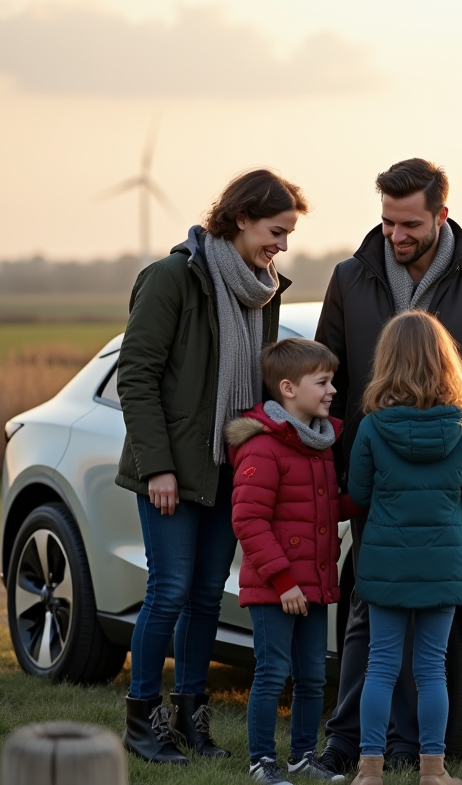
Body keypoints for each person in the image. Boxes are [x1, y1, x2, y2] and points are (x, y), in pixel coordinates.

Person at [314, 158, 462, 774]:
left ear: (441, 214)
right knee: (366, 621)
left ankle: (407, 751)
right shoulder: (349, 278)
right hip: (371, 476)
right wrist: (327, 464)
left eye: (409, 222)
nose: (395, 234)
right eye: (386, 221)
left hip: (442, 476)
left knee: (415, 638)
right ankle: (349, 742)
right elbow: (326, 379)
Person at [115, 169, 305, 764]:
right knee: (168, 591)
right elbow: (137, 377)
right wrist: (157, 467)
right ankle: (143, 723)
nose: (282, 244)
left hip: (233, 468)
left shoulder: (263, 290)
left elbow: (259, 387)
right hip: (172, 468)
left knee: (205, 598)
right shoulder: (172, 278)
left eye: (289, 234)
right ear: (242, 217)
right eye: (276, 230)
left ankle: (192, 719)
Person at [347, 311, 462, 785]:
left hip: (386, 564)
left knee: (381, 665)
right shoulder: (461, 426)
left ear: (386, 362)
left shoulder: (371, 428)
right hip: (443, 565)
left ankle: (370, 770)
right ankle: (433, 771)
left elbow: (359, 492)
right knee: (432, 668)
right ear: (445, 362)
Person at [226, 338, 350, 784]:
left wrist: (374, 497)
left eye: (332, 380)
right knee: (272, 673)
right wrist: (283, 581)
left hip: (314, 585)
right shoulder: (264, 448)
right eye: (323, 381)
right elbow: (248, 520)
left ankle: (302, 757)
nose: (332, 389)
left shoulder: (319, 444)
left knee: (314, 676)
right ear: (288, 389)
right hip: (276, 588)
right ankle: (262, 762)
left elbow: (324, 508)